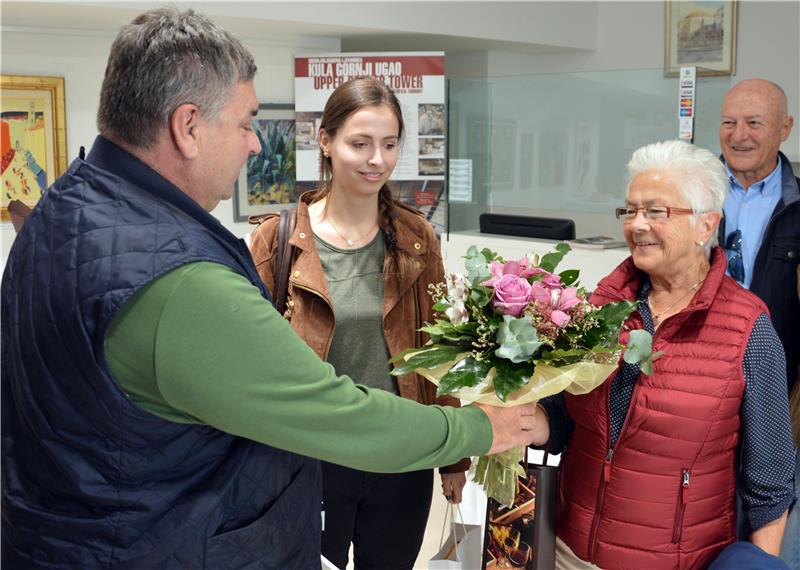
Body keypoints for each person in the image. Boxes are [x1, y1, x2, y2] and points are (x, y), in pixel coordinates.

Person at [0, 8, 546, 569]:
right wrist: (480, 427)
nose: (257, 145)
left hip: (64, 530)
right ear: (188, 127)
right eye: (244, 123)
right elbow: (331, 413)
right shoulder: (181, 279)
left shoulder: (60, 213)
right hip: (156, 540)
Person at [533, 140, 795, 569]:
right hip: (569, 552)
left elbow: (770, 483)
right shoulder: (601, 307)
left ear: (705, 225)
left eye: (656, 212)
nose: (637, 224)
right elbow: (568, 417)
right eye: (630, 210)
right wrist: (524, 420)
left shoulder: (749, 330)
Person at [248, 77, 466, 570]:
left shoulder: (416, 237)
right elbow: (250, 361)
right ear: (325, 141)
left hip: (400, 453)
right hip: (310, 457)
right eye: (360, 144)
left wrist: (453, 454)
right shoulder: (275, 242)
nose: (377, 160)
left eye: (389, 145)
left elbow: (441, 350)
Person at [719, 79, 799, 395]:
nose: (739, 135)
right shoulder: (689, 194)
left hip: (779, 375)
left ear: (784, 128)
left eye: (754, 123)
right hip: (697, 370)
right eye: (729, 122)